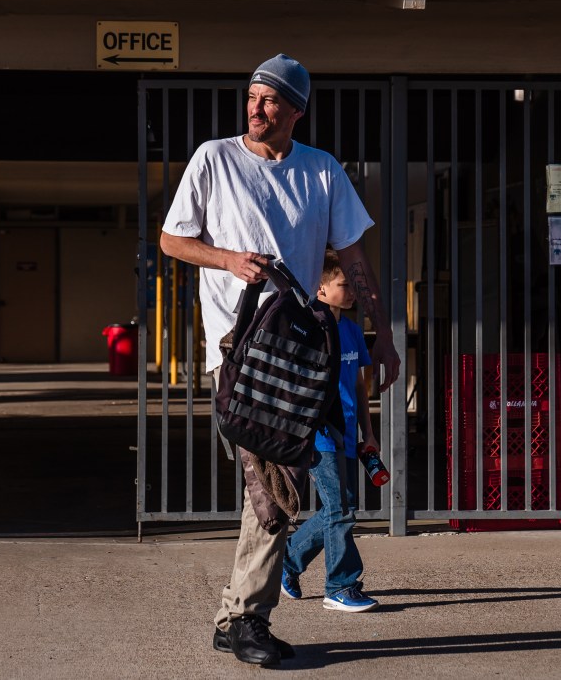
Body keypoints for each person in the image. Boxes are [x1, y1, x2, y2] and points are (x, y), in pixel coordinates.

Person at [160, 53, 400, 667]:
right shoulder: (214, 158)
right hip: (239, 346)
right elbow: (172, 239)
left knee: (275, 482)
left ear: (296, 110)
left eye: (269, 100)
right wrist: (228, 259)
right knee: (273, 483)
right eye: (251, 97)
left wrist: (381, 333)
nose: (256, 108)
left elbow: (354, 257)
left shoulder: (321, 170)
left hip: (301, 349)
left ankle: (235, 618)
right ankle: (246, 618)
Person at [279, 248, 380, 613]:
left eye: (352, 284)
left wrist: (368, 433)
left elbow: (359, 386)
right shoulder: (310, 330)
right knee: (339, 508)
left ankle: (287, 561)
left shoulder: (352, 331)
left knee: (341, 507)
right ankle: (340, 586)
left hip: (348, 434)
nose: (351, 291)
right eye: (343, 284)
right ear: (320, 289)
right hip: (320, 434)